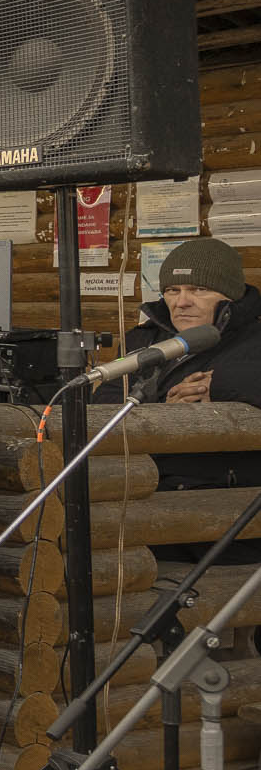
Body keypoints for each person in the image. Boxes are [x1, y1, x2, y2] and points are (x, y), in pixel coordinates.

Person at [100, 236, 261, 563]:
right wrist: (165, 418)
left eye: (198, 289)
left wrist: (222, 384)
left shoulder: (255, 338)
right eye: (173, 291)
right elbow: (101, 407)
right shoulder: (143, 340)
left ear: (231, 294)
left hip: (223, 513)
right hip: (139, 502)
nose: (182, 302)